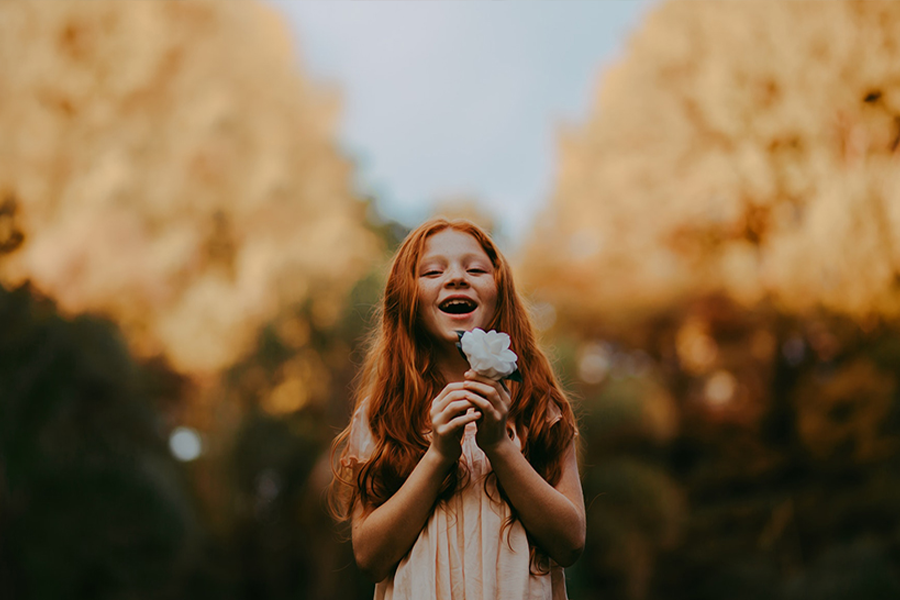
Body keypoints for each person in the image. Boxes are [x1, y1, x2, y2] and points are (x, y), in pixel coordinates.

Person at [330, 218, 585, 600]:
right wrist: (438, 456)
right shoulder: (382, 415)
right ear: (408, 300)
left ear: (500, 293)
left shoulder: (538, 406)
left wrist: (499, 446)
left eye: (476, 269)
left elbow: (571, 542)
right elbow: (369, 557)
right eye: (433, 271)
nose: (456, 278)